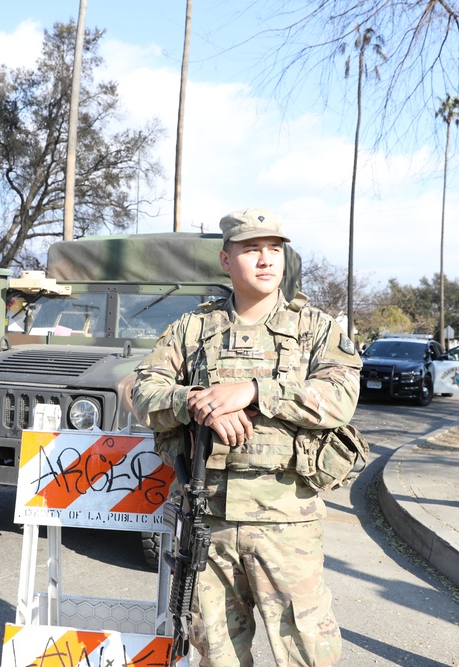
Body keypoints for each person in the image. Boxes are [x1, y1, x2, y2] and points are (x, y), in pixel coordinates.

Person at [132, 208, 362, 666]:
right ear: (225, 260)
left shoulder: (315, 328)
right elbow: (143, 393)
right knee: (215, 652)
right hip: (208, 517)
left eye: (274, 250)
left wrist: (255, 392)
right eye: (251, 249)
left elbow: (341, 396)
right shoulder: (192, 330)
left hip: (286, 518)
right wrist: (196, 401)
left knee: (307, 650)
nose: (265, 260)